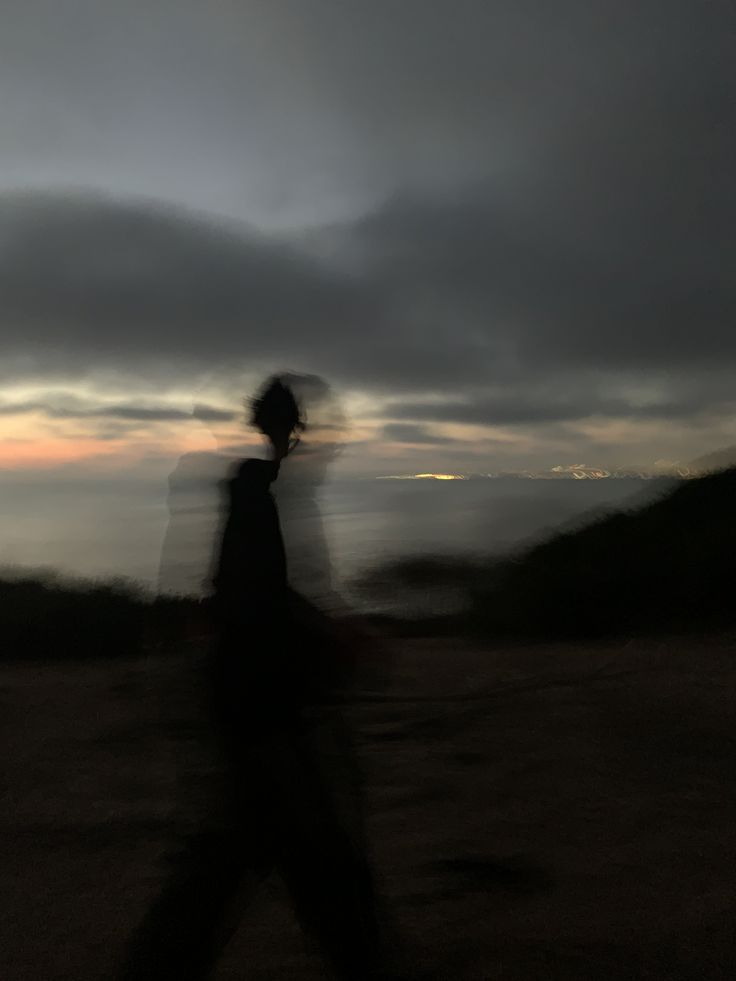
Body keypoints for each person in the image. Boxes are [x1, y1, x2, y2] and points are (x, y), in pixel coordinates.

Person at [121, 374, 390, 981]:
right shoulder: (255, 489)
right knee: (295, 855)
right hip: (260, 703)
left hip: (258, 700)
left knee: (258, 853)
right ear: (292, 428)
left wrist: (330, 629)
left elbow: (252, 593)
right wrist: (336, 634)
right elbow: (254, 597)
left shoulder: (261, 489)